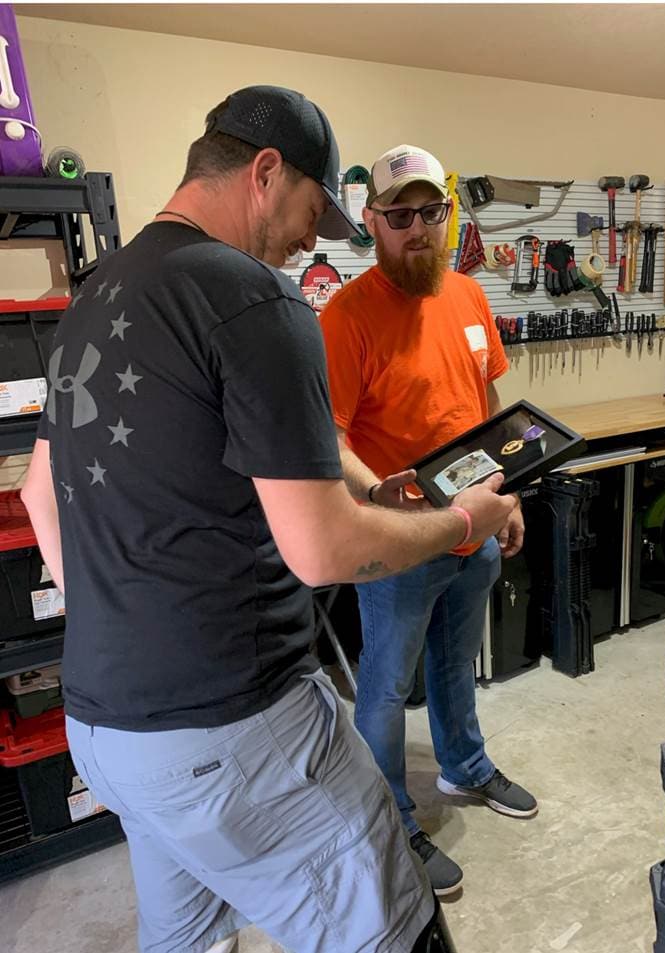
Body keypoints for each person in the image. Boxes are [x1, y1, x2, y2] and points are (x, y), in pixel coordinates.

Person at [21, 89, 518, 953]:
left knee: (187, 937)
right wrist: (463, 521)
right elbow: (323, 550)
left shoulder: (96, 297)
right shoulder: (253, 299)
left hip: (104, 727)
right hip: (233, 728)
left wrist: (130, 633)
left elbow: (37, 495)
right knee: (392, 930)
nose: (310, 240)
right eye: (309, 212)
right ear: (264, 172)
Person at [319, 143, 539, 898]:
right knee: (384, 688)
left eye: (430, 211)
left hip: (472, 526)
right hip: (401, 545)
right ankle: (390, 818)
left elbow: (484, 415)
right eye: (399, 215)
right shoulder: (347, 317)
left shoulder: (471, 298)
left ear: (448, 213)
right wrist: (379, 492)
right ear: (373, 222)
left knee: (454, 666)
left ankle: (465, 765)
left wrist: (503, 500)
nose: (419, 229)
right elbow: (331, 436)